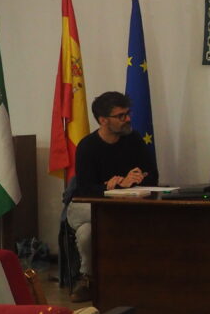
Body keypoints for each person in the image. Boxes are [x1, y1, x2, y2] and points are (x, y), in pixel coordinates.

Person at [68, 91, 159, 302]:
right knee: (91, 227)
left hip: (126, 205)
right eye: (120, 116)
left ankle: (110, 278)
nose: (127, 119)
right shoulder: (87, 146)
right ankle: (91, 280)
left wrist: (137, 178)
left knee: (87, 232)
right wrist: (110, 187)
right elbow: (85, 189)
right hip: (89, 205)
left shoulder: (134, 140)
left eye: (127, 113)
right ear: (103, 120)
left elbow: (153, 175)